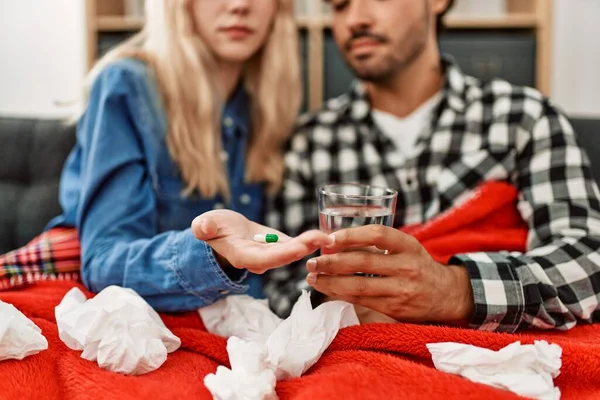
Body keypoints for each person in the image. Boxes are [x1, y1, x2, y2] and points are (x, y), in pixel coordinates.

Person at [193, 0, 600, 332]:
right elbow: (282, 284)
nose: (355, 19)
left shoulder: (522, 117)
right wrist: (341, 303)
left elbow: (589, 258)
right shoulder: (309, 142)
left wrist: (455, 291)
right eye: (338, 5)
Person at [37, 0, 332, 312]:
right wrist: (215, 254)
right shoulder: (128, 85)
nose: (240, 5)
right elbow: (104, 261)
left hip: (239, 329)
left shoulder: (266, 106)